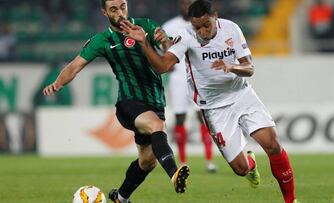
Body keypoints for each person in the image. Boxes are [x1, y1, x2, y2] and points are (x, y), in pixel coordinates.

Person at [120, 0, 300, 202]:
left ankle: (291, 200)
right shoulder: (186, 36)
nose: (202, 32)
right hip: (214, 108)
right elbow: (162, 67)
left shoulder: (231, 28)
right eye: (197, 27)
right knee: (240, 169)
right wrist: (144, 43)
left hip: (242, 96)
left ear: (215, 17)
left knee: (273, 145)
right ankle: (251, 164)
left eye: (206, 26)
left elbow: (249, 68)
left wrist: (231, 66)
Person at [42, 0, 190, 203]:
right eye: (113, 9)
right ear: (104, 12)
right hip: (128, 102)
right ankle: (174, 173)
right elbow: (75, 65)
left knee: (147, 162)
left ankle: (121, 197)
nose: (120, 13)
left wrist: (164, 42)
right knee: (157, 125)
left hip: (155, 101)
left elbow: (167, 46)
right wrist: (58, 84)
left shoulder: (145, 25)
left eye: (122, 6)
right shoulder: (102, 40)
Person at [162, 0, 216, 172]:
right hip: (178, 78)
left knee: (203, 116)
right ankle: (183, 161)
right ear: (179, 5)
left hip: (198, 77)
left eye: (189, 3)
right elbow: (162, 50)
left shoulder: (203, 24)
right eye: (183, 3)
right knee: (180, 118)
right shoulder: (169, 26)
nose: (186, 6)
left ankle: (209, 161)